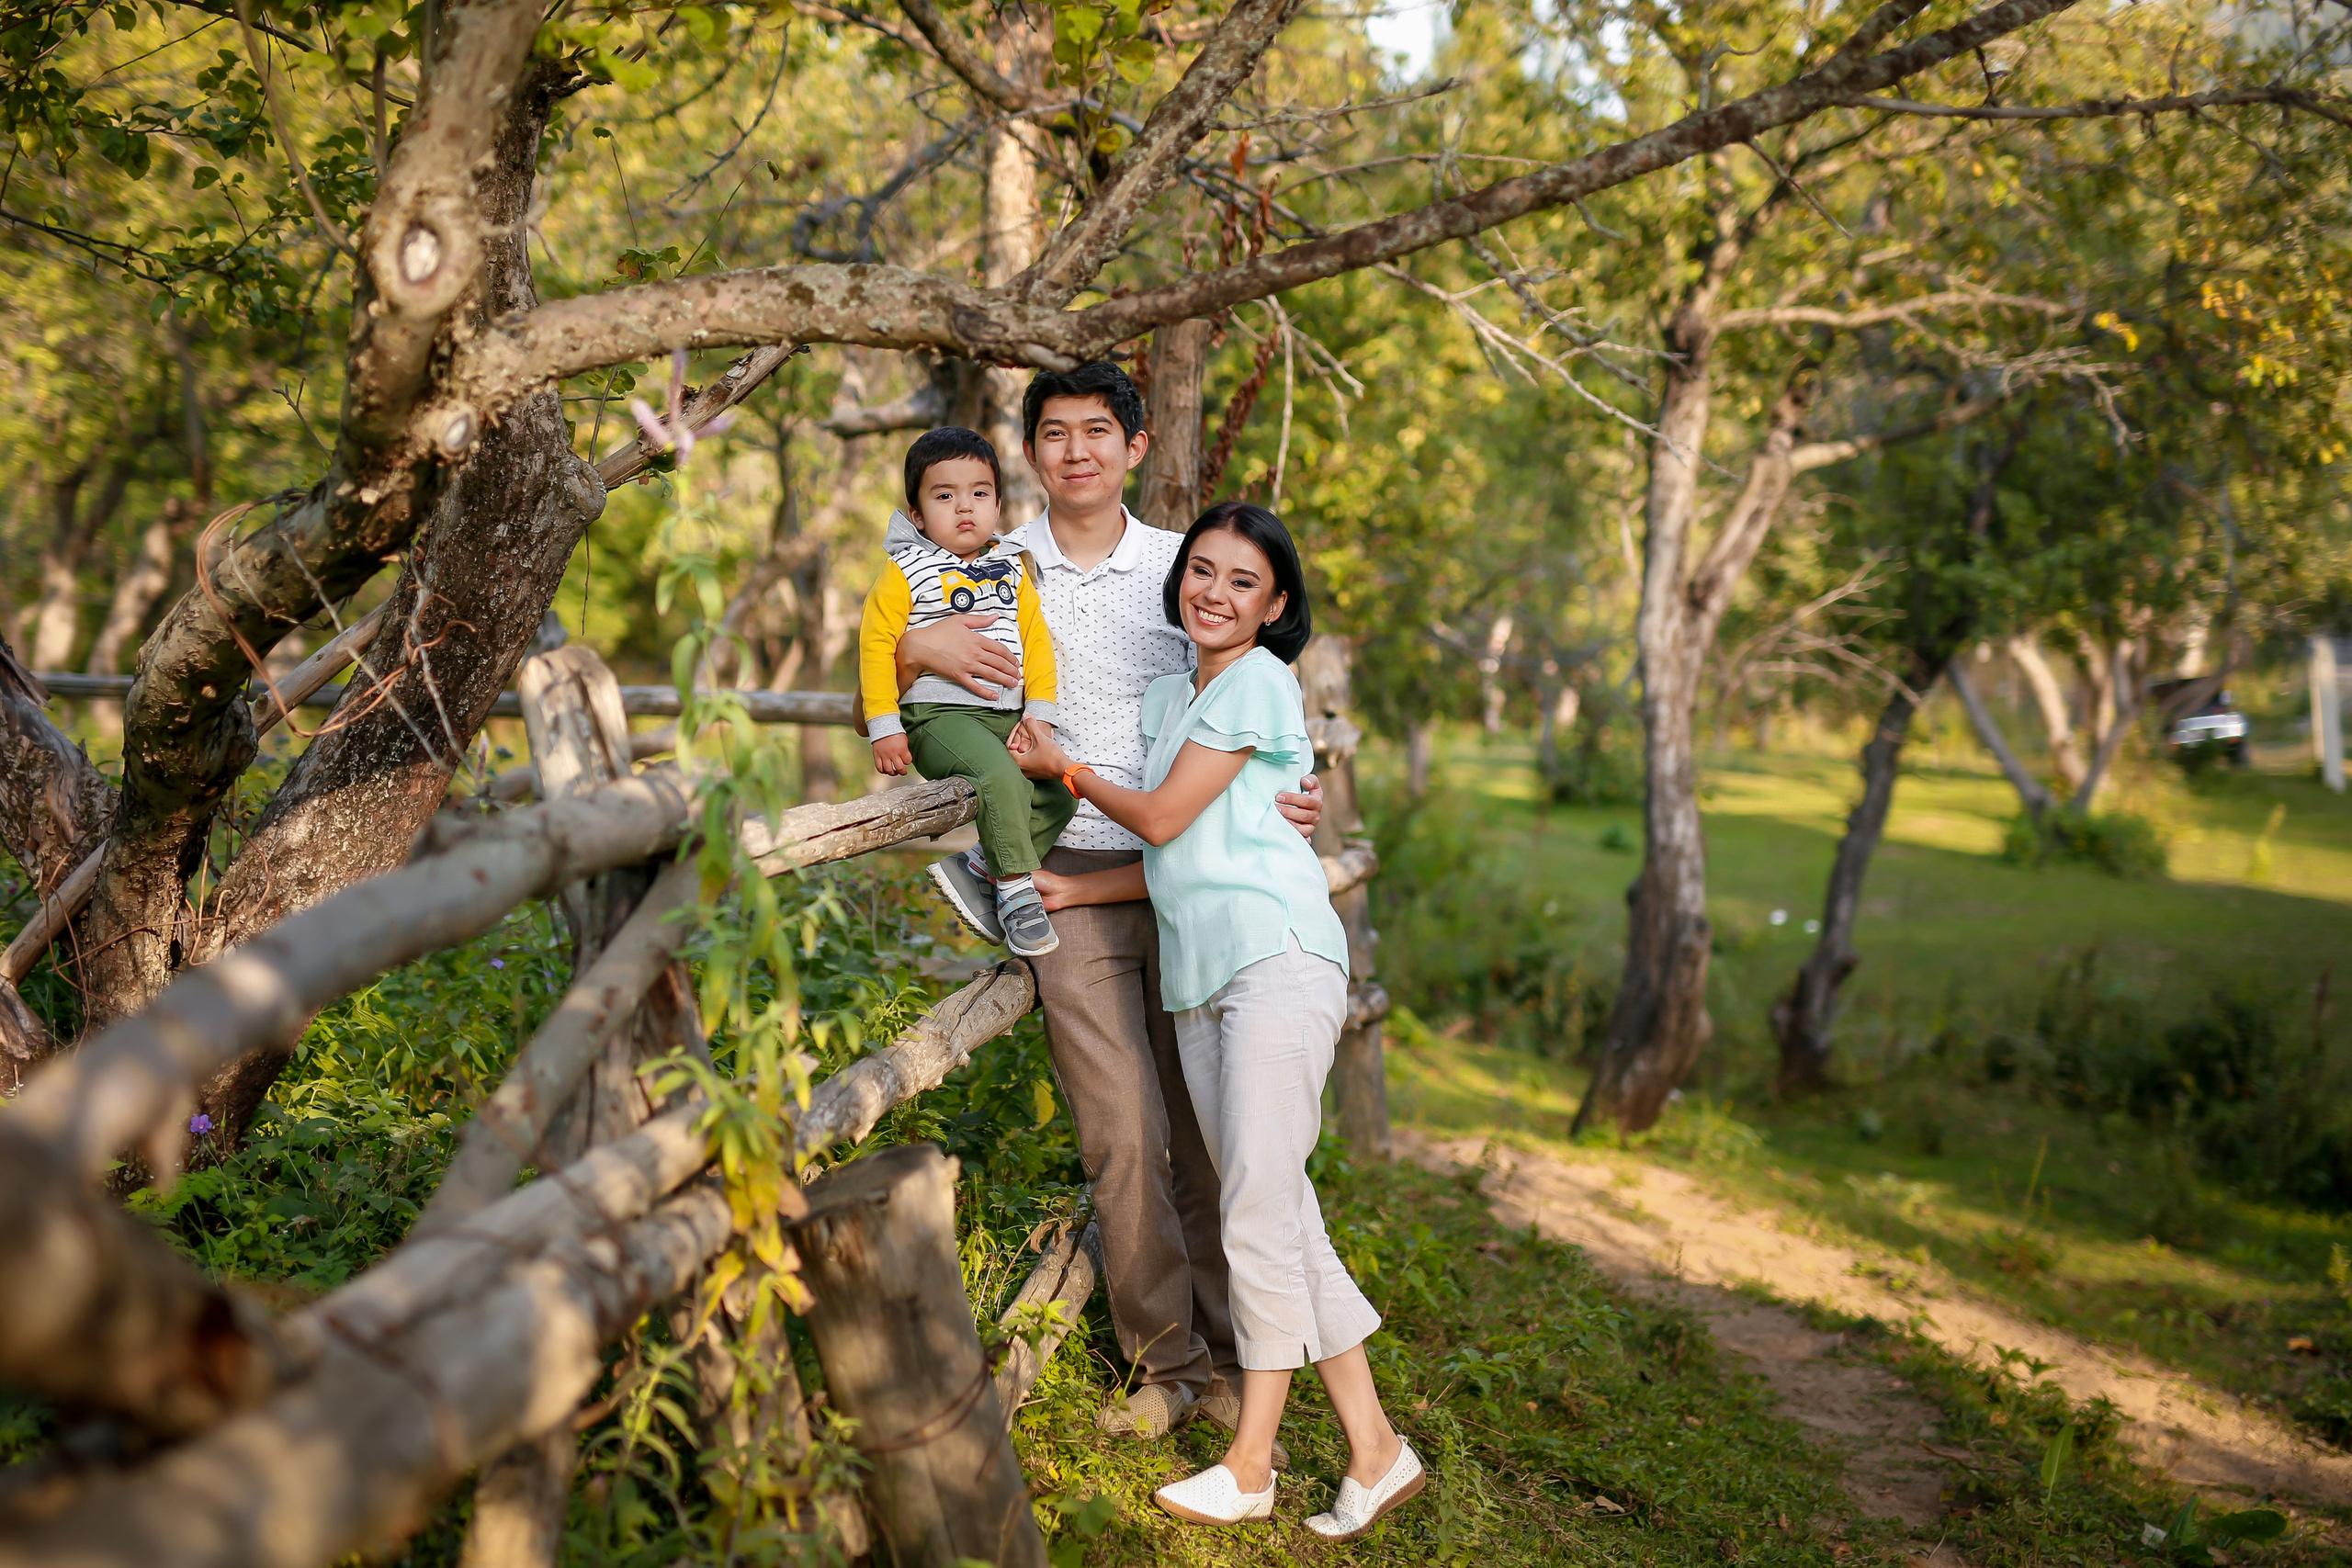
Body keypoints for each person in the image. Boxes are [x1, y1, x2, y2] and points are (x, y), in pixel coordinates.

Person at [888, 362, 1322, 1450]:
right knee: (1124, 1133)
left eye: (1097, 431)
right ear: (1027, 453)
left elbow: (1249, 691)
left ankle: (1240, 1358)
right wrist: (912, 646)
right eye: (1052, 433)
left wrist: (1291, 791)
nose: (1074, 451)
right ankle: (1167, 1365)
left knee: (1208, 1133)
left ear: (1137, 446)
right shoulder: (983, 561)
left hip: (1188, 885)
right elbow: (890, 647)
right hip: (1060, 881)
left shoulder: (1182, 568)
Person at [1009, 501, 1421, 1540]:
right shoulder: (1168, 696)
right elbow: (1169, 854)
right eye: (1202, 571)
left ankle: (1248, 1466)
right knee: (1282, 1210)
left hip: (1275, 960)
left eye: (1243, 581)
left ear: (1275, 605)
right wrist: (1077, 894)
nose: (1214, 592)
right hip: (1203, 977)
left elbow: (1151, 817)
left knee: (1252, 1210)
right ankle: (1375, 1451)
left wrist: (1059, 765)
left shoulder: (1260, 683)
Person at [857, 426, 1075, 957]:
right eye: (944, 495)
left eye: (979, 493)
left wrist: (1040, 714)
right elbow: (876, 647)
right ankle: (1016, 892)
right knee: (998, 775)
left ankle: (980, 863)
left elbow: (1036, 643)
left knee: (1061, 789)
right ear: (917, 515)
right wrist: (885, 730)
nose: (964, 508)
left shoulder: (1011, 568)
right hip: (940, 717)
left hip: (1008, 714)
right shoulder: (905, 569)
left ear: (998, 505)